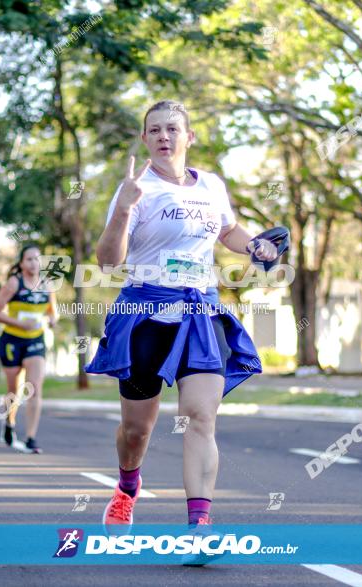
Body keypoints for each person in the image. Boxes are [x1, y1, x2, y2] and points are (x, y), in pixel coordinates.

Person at [86, 101, 278, 566]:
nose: (163, 136)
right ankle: (127, 488)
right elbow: (108, 262)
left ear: (188, 136)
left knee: (200, 417)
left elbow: (228, 231)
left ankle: (199, 528)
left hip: (200, 311)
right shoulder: (135, 189)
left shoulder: (211, 185)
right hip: (146, 311)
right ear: (145, 139)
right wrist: (123, 212)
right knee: (137, 430)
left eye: (172, 128)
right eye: (154, 130)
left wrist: (255, 245)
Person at [0, 244, 58, 453]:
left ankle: (30, 437)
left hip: (35, 341)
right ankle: (9, 423)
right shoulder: (14, 283)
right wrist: (21, 324)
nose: (34, 263)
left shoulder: (47, 285)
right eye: (29, 259)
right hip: (12, 340)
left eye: (37, 259)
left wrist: (52, 320)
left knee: (35, 388)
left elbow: (53, 312)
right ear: (21, 263)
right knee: (13, 391)